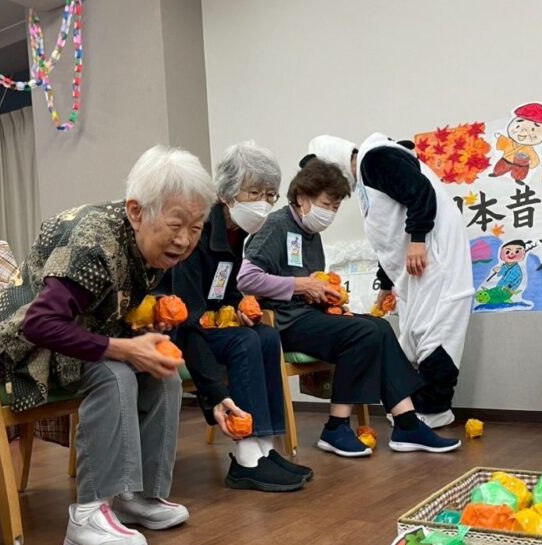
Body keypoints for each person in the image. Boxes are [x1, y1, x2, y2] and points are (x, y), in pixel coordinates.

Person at [0, 145, 216, 545]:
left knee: (162, 369)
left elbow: (102, 310)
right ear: (136, 211)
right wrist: (123, 347)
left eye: (196, 228)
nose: (184, 240)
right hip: (23, 349)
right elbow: (40, 324)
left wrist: (140, 332)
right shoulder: (95, 241)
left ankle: (137, 495)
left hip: (77, 341)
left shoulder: (147, 244)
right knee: (116, 374)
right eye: (176, 224)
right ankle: (89, 513)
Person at [240, 157, 460, 457]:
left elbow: (308, 282)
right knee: (361, 333)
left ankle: (407, 422)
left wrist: (324, 294)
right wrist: (304, 285)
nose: (329, 213)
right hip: (282, 322)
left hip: (307, 315)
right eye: (326, 204)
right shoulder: (276, 226)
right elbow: (247, 279)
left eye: (335, 207)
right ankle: (335, 427)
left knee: (379, 326)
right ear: (302, 197)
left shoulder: (310, 234)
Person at [164, 142, 311, 491]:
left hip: (213, 324)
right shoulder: (197, 231)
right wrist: (214, 391)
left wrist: (239, 309)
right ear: (228, 192)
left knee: (265, 334)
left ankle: (265, 444)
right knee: (246, 341)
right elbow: (186, 310)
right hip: (183, 330)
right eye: (254, 192)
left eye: (270, 194)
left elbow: (222, 289)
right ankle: (246, 455)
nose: (263, 202)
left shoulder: (237, 233)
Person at [306, 133, 474, 428]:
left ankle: (435, 408)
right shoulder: (367, 184)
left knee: (437, 335)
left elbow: (420, 192)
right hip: (414, 273)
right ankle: (418, 406)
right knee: (413, 336)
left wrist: (419, 240)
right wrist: (385, 285)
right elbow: (388, 237)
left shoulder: (377, 158)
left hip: (436, 262)